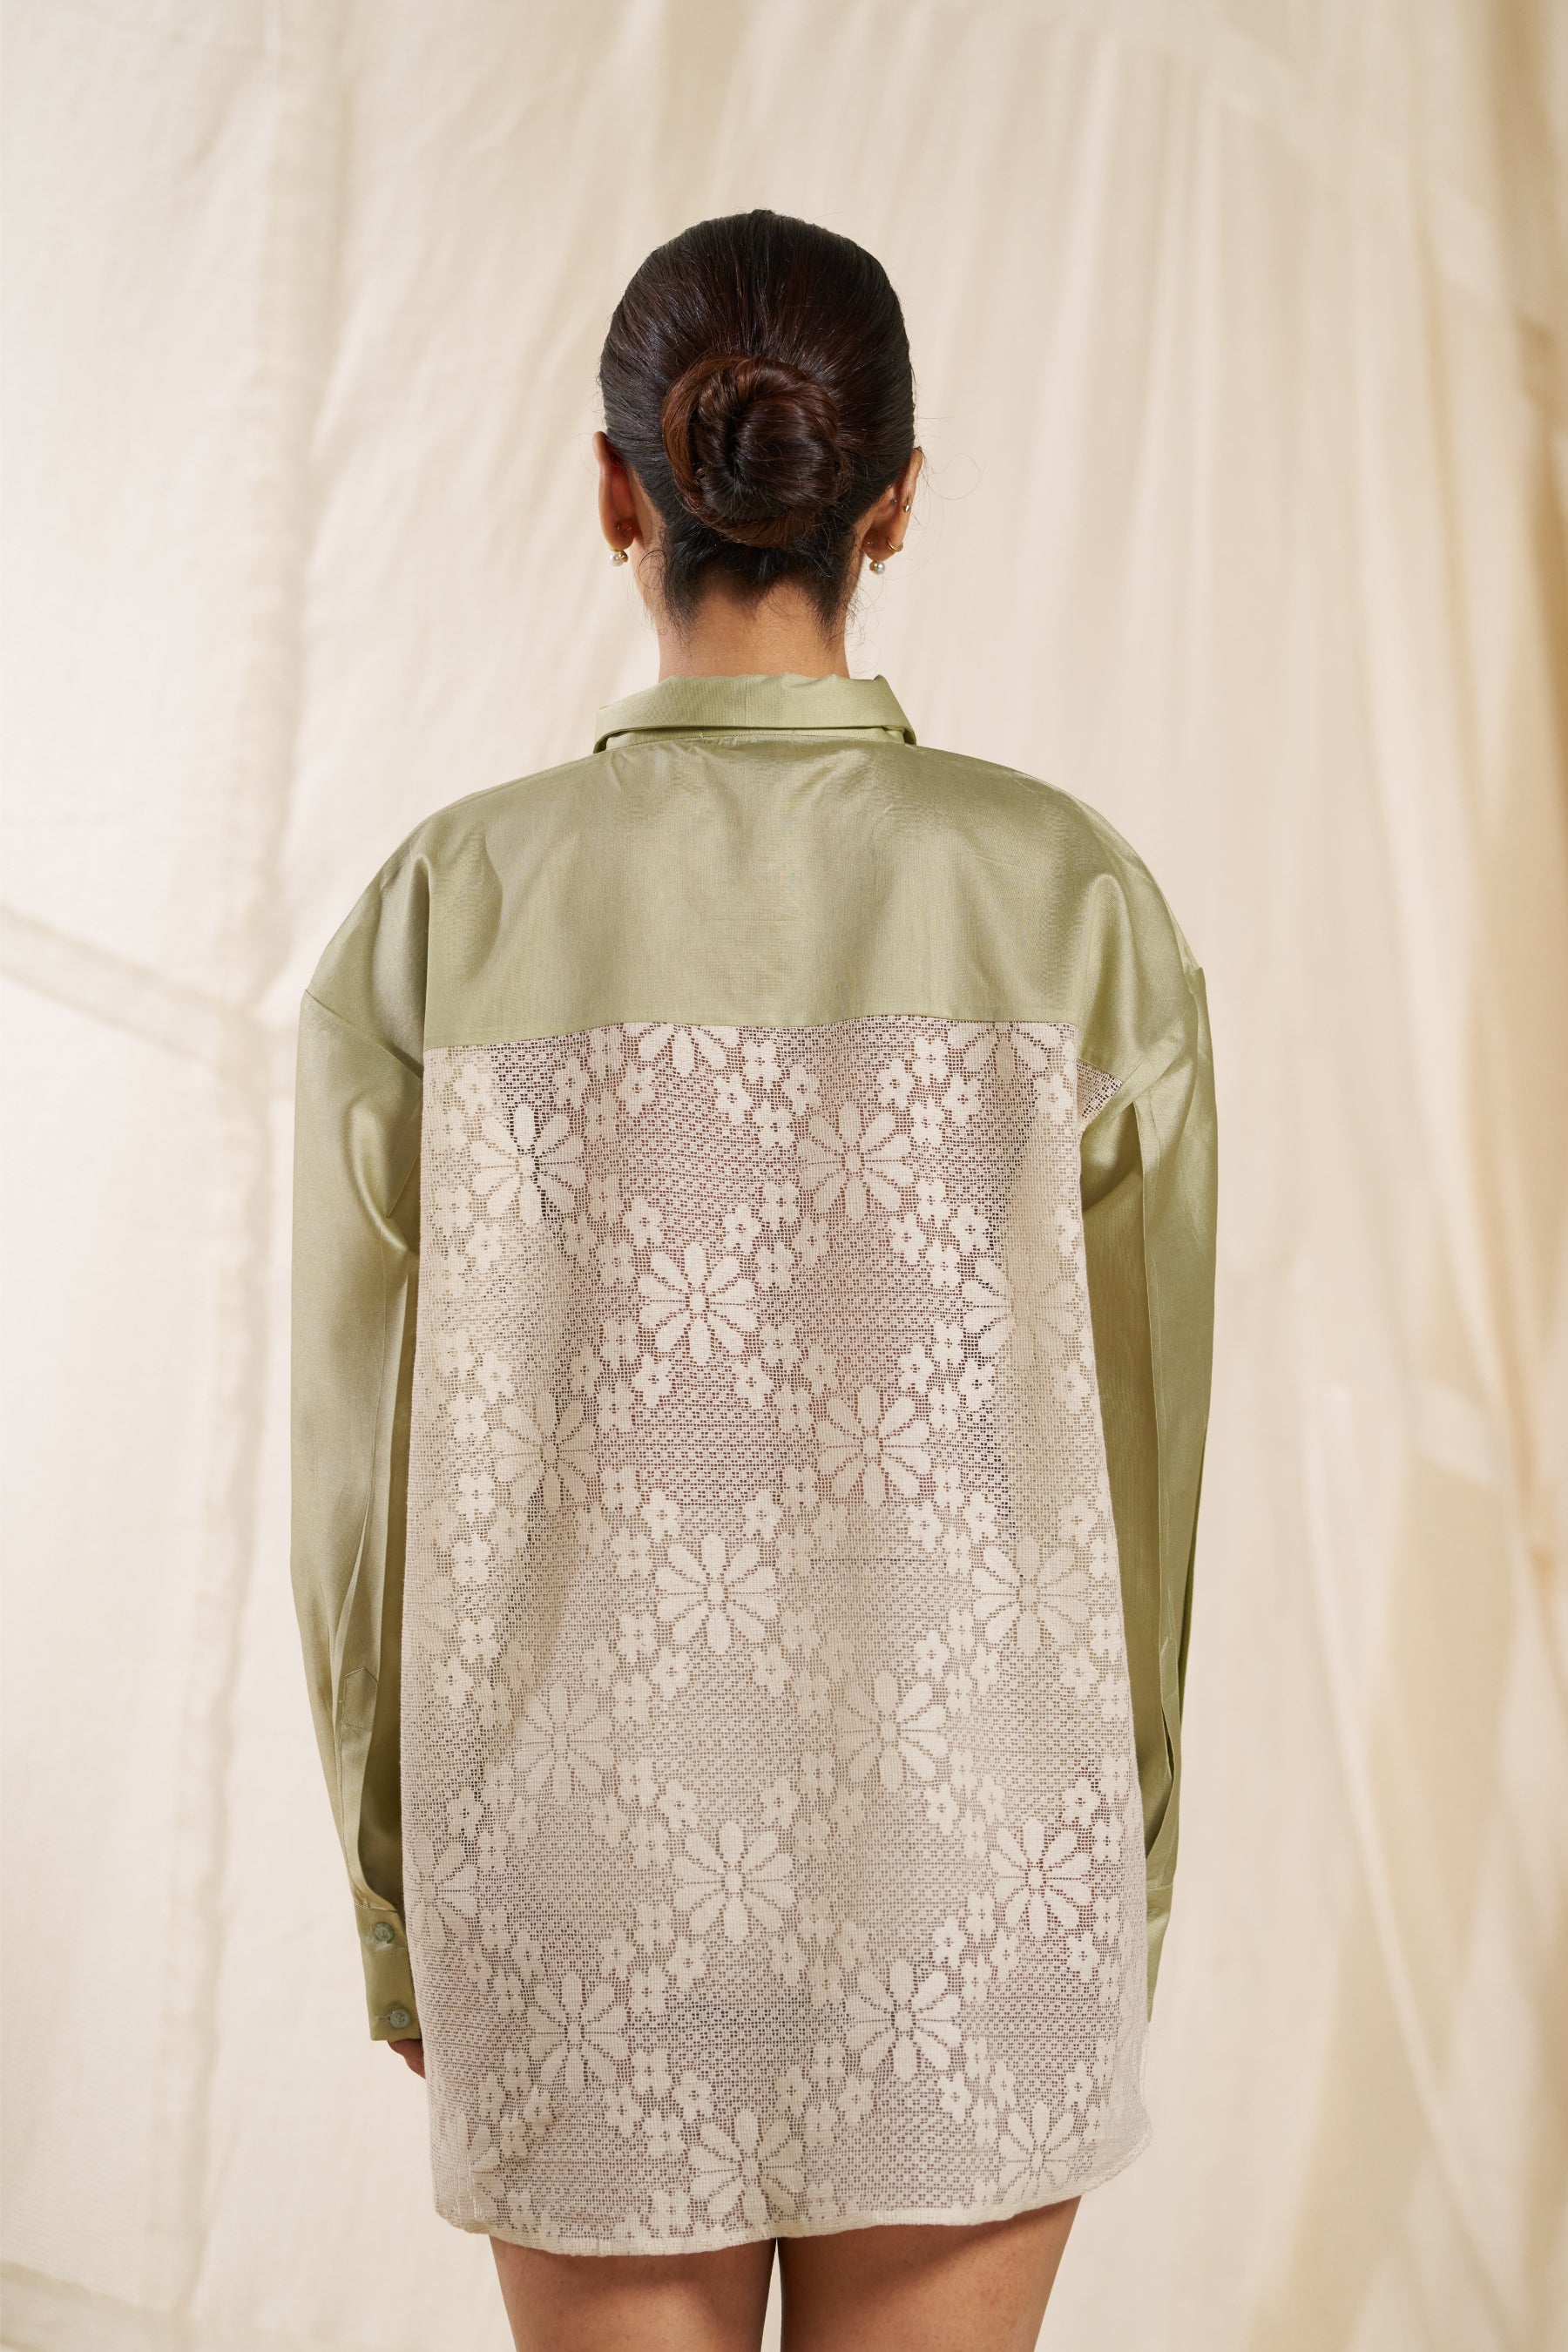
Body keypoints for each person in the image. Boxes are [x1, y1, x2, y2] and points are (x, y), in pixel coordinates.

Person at [289, 208, 1218, 2351]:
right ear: (894, 500)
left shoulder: (445, 904)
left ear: (619, 492)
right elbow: (1150, 1452)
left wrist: (399, 1904)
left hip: (579, 1867)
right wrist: (1130, 1860)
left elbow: (360, 1477)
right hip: (976, 1870)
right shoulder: (1074, 898)